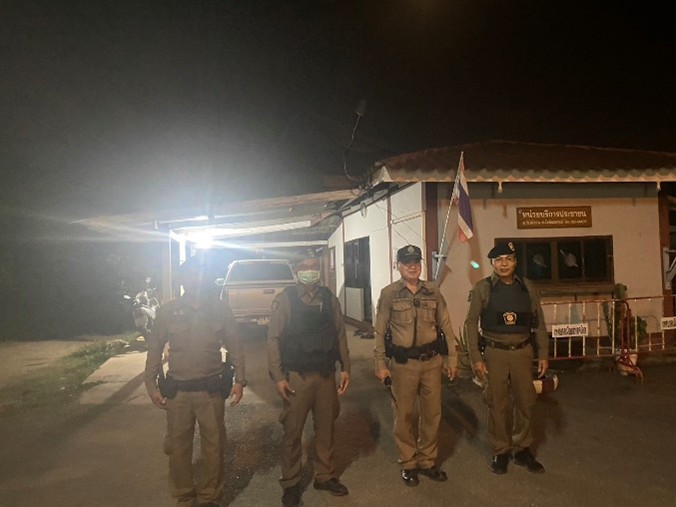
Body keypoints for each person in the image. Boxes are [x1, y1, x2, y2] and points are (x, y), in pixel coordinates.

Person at [144, 255, 246, 507]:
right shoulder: (168, 312)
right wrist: (151, 385)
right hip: (178, 393)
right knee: (178, 448)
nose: (194, 280)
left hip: (211, 391)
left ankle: (211, 496)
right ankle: (185, 496)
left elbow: (235, 346)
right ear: (181, 280)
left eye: (198, 275)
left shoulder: (221, 310)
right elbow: (154, 349)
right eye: (188, 275)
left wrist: (240, 380)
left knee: (214, 446)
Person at [267, 251, 351, 507]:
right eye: (305, 267)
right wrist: (278, 376)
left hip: (325, 375)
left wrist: (346, 367)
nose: (310, 271)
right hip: (297, 377)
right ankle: (291, 483)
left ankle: (324, 476)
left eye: (314, 266)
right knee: (292, 431)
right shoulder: (285, 299)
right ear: (296, 271)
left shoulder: (329, 298)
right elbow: (273, 339)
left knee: (326, 428)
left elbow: (340, 334)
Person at [374, 244, 458, 487]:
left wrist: (451, 359)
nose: (412, 267)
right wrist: (380, 364)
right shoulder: (389, 293)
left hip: (432, 362)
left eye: (416, 262)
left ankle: (428, 461)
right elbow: (379, 330)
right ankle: (408, 463)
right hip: (403, 364)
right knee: (404, 414)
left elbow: (446, 325)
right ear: (398, 265)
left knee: (432, 414)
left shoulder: (432, 291)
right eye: (407, 262)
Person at [463, 241, 549, 475]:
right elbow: (471, 324)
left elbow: (539, 322)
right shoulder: (482, 289)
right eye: (499, 260)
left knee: (526, 401)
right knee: (497, 403)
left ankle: (522, 449)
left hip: (523, 352)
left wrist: (543, 353)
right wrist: (476, 358)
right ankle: (500, 450)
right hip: (495, 353)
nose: (504, 264)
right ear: (492, 263)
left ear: (515, 262)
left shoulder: (527, 287)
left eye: (508, 259)